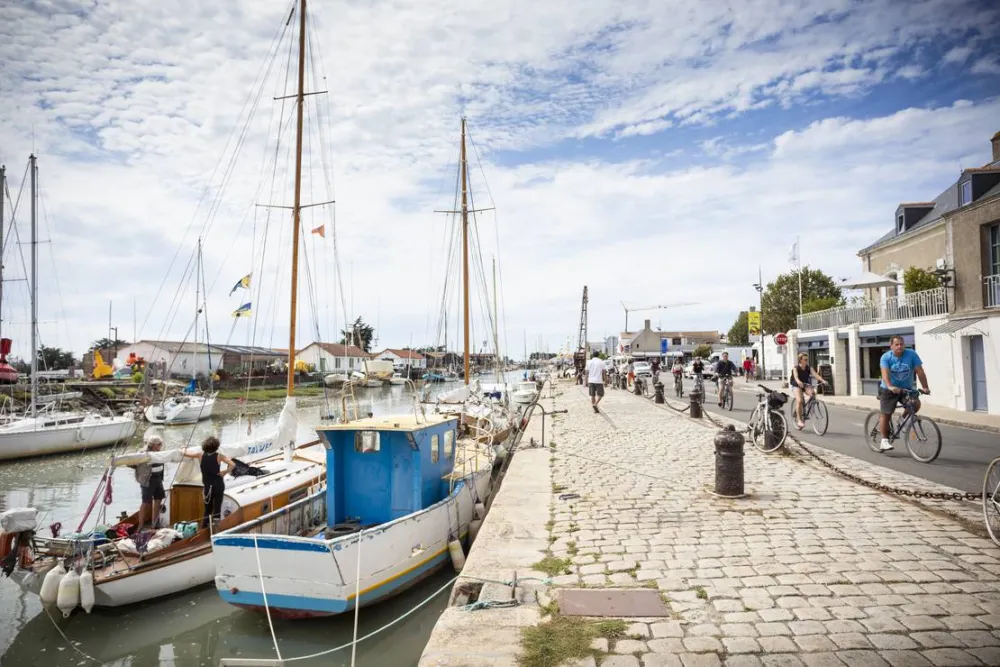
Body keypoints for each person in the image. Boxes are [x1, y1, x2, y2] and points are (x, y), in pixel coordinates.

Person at [878, 335, 929, 452]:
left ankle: (902, 419)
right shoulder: (886, 357)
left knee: (915, 403)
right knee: (886, 413)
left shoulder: (911, 354)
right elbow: (885, 374)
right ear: (891, 346)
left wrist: (925, 387)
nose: (900, 346)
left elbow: (919, 371)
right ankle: (884, 441)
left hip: (905, 389)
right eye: (896, 344)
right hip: (888, 389)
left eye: (901, 344)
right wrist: (890, 386)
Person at [183, 436, 232, 528]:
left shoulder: (200, 455)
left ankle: (204, 528)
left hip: (207, 486)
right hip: (218, 485)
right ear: (216, 446)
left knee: (207, 509)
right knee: (217, 509)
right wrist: (224, 472)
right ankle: (216, 529)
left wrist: (182, 448)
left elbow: (186, 454)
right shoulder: (219, 456)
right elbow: (232, 464)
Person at [131, 435, 165, 530]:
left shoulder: (159, 452)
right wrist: (139, 470)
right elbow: (132, 463)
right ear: (153, 445)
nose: (160, 446)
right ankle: (140, 525)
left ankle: (155, 523)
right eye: (159, 444)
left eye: (161, 444)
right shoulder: (143, 453)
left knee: (158, 499)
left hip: (158, 478)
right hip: (148, 480)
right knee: (145, 502)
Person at [791, 354, 828, 429]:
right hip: (796, 385)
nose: (806, 361)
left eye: (807, 359)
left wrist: (823, 380)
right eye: (805, 359)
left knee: (813, 393)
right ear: (800, 360)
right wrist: (798, 382)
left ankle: (810, 406)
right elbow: (796, 377)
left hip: (805, 384)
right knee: (799, 400)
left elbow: (815, 375)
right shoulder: (796, 368)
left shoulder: (809, 368)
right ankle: (799, 420)